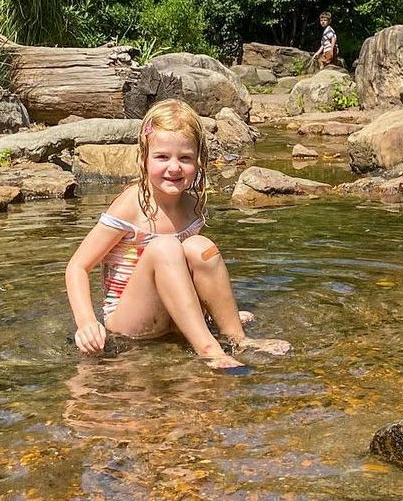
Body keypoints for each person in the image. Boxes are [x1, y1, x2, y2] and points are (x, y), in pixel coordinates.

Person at [65, 99, 291, 372]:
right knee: (165, 248)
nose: (174, 168)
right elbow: (77, 266)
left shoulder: (191, 205)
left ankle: (237, 338)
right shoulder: (132, 205)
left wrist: (222, 314)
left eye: (185, 158)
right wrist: (87, 322)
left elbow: (194, 271)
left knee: (200, 247)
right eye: (162, 157)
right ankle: (209, 349)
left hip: (173, 316)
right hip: (129, 323)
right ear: (143, 158)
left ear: (199, 160)